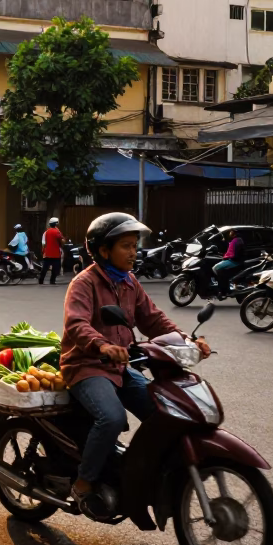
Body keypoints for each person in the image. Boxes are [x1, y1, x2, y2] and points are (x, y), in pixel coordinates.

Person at [61, 213, 210, 517]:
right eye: (126, 246)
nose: (134, 252)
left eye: (135, 245)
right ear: (104, 250)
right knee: (112, 418)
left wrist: (186, 340)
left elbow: (153, 319)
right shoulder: (84, 283)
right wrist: (102, 345)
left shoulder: (129, 282)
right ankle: (83, 484)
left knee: (165, 411)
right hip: (87, 366)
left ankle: (137, 472)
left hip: (121, 367)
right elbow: (76, 324)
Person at [40, 218, 64, 285]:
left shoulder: (46, 232)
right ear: (56, 224)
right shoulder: (57, 232)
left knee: (45, 268)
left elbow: (43, 244)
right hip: (56, 253)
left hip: (47, 253)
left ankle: (41, 280)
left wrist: (43, 251)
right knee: (55, 268)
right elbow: (62, 241)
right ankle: (52, 281)